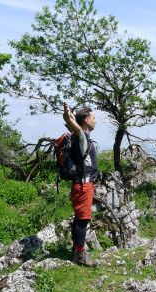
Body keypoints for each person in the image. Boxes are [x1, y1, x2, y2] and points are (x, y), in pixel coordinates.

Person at [62, 101, 99, 267]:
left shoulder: (84, 137)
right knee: (82, 220)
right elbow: (74, 126)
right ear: (86, 121)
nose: (95, 120)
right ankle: (80, 255)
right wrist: (68, 116)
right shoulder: (81, 135)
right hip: (83, 186)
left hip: (85, 185)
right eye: (93, 117)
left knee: (80, 220)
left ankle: (77, 251)